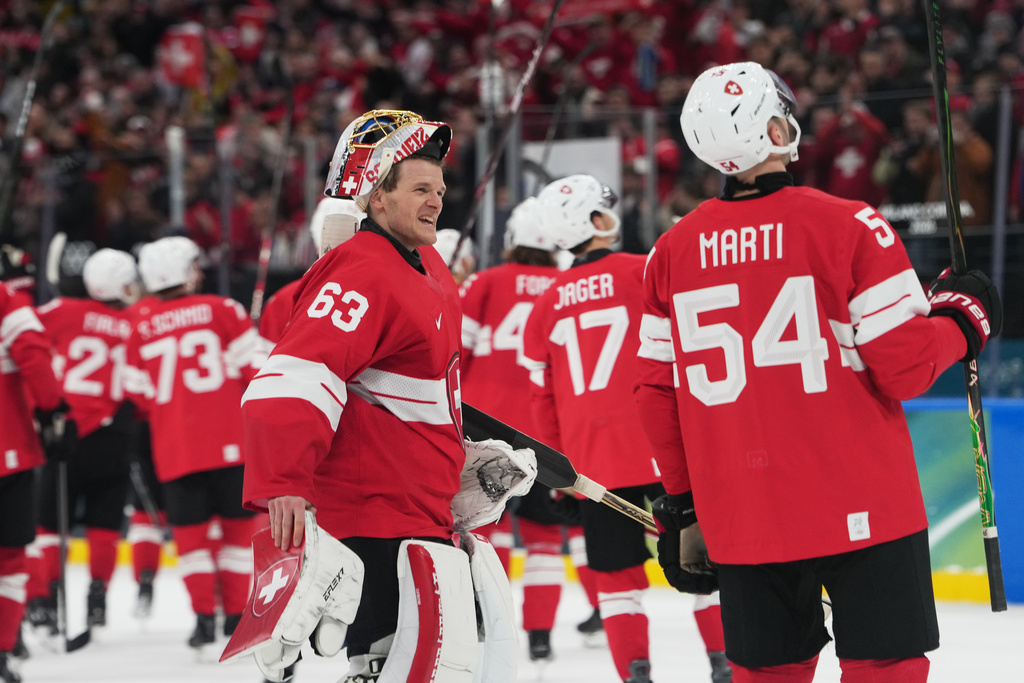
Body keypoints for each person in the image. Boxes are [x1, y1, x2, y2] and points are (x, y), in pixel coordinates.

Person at [636, 61, 1002, 683]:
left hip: (741, 509)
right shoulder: (848, 224)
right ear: (776, 130)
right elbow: (906, 365)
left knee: (769, 672)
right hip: (863, 500)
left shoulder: (669, 252)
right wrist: (964, 321)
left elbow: (655, 394)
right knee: (886, 663)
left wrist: (684, 506)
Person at [240, 109, 535, 683]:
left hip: (418, 509)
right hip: (374, 516)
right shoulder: (362, 271)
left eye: (441, 188)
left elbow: (406, 394)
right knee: (389, 668)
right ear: (376, 197)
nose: (437, 200)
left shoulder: (425, 266)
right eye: (421, 188)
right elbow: (296, 377)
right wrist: (283, 484)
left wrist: (456, 458)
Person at [522, 174, 730, 683]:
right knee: (701, 561)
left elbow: (541, 399)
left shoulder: (546, 305)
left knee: (616, 578)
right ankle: (725, 664)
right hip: (668, 452)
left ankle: (635, 671)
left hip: (593, 466)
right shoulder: (645, 269)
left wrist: (560, 474)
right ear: (597, 219)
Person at [459, 197, 602, 663]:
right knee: (543, 538)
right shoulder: (566, 286)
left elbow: (453, 353)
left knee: (485, 530)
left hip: (484, 428)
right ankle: (540, 637)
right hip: (545, 434)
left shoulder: (485, 281)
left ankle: (488, 621)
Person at [123, 236, 264, 654]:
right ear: (184, 272)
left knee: (191, 538)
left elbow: (138, 394)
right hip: (231, 445)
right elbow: (256, 373)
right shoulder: (223, 310)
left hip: (175, 449)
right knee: (238, 536)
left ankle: (203, 619)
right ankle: (236, 617)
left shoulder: (140, 328)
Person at [28, 249, 140, 632]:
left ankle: (48, 594)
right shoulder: (134, 322)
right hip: (114, 433)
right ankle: (97, 596)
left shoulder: (60, 311)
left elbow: (25, 340)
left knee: (49, 522)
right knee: (105, 520)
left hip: (65, 430)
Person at [0, 280, 73, 682]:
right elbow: (32, 352)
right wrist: (52, 411)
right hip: (7, 448)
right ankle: (4, 645)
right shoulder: (5, 297)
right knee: (9, 557)